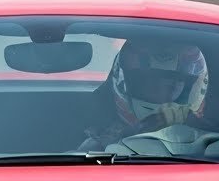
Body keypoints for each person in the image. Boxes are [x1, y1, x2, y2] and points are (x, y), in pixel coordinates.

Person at [78, 39, 209, 151]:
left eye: (171, 86)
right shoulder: (100, 143)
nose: (159, 91)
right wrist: (138, 132)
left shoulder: (208, 142)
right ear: (124, 83)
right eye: (148, 83)